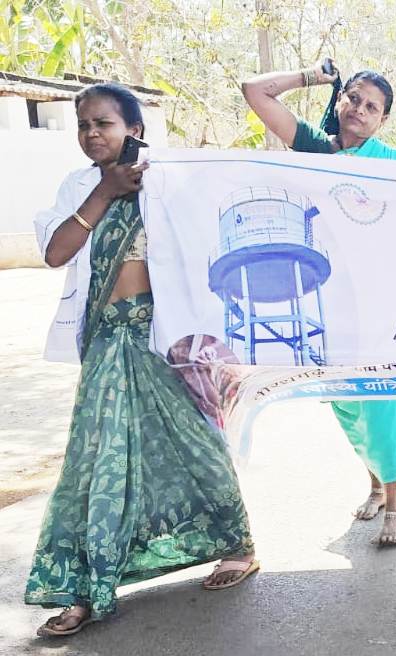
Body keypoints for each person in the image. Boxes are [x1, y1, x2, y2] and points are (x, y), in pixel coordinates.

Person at [26, 83, 257, 637]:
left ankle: (237, 545)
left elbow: (207, 249)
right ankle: (88, 587)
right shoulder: (79, 186)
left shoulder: (168, 180)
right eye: (83, 125)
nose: (90, 134)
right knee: (96, 461)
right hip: (107, 341)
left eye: (102, 123)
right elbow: (56, 251)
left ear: (134, 129)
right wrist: (104, 191)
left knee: (194, 443)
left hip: (163, 337)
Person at [243, 59, 396, 546]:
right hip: (330, 298)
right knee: (347, 403)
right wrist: (315, 77)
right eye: (354, 98)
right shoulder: (313, 149)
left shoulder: (395, 162)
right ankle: (374, 485)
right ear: (341, 100)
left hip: (381, 298)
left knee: (384, 399)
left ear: (383, 120)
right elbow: (254, 91)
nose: (359, 110)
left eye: (372, 107)